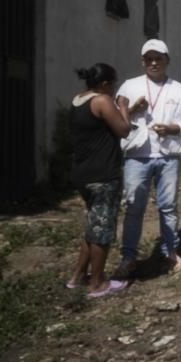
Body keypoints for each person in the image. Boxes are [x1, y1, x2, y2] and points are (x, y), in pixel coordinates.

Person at [114, 39, 181, 278]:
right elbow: (115, 116)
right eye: (149, 59)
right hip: (136, 155)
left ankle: (170, 253)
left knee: (168, 206)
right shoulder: (129, 87)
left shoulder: (179, 89)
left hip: (168, 155)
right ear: (143, 61)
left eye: (158, 58)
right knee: (133, 207)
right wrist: (133, 110)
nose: (153, 63)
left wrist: (173, 128)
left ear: (166, 61)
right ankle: (129, 257)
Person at [69, 63, 132, 297]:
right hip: (103, 175)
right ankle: (97, 283)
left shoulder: (79, 100)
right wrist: (123, 106)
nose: (114, 89)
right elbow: (124, 130)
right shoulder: (102, 101)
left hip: (82, 174)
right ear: (105, 84)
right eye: (113, 84)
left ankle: (77, 277)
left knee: (92, 227)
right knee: (103, 231)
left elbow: (102, 127)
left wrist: (125, 109)